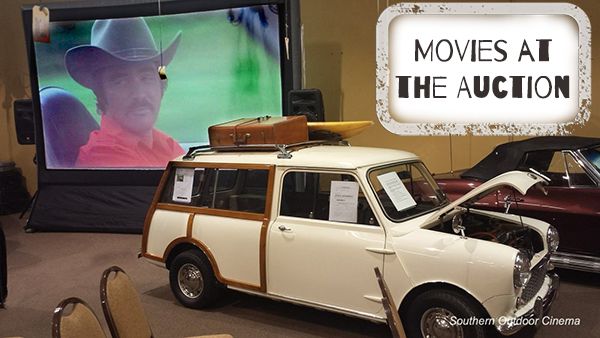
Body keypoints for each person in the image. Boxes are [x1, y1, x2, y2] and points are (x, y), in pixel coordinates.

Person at [65, 17, 185, 168]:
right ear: (101, 94)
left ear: (161, 85)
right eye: (120, 81)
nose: (139, 94)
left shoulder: (165, 144)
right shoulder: (103, 157)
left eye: (146, 77)